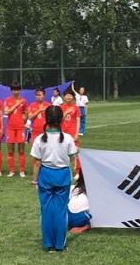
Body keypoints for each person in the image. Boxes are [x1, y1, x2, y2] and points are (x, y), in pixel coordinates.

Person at [31, 105, 78, 252]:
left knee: (46, 210)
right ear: (61, 119)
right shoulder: (68, 138)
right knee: (60, 211)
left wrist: (34, 179)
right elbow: (72, 157)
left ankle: (48, 243)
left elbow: (37, 162)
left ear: (46, 119)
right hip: (62, 175)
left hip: (45, 175)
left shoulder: (39, 139)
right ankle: (59, 244)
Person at [4, 82, 28, 177]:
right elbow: (7, 112)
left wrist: (24, 120)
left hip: (20, 128)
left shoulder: (24, 101)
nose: (16, 91)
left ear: (20, 90)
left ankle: (21, 171)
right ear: (11, 91)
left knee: (21, 150)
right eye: (14, 90)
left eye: (18, 90)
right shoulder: (8, 100)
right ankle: (11, 171)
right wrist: (16, 104)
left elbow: (26, 113)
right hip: (10, 128)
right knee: (10, 150)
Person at [28, 88, 51, 165]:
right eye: (37, 95)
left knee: (46, 151)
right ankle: (36, 168)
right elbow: (30, 117)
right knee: (35, 152)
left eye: (40, 95)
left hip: (46, 132)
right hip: (35, 132)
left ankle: (46, 167)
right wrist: (39, 110)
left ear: (44, 96)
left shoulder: (48, 105)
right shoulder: (32, 105)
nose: (38, 97)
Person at [61, 90, 81, 176]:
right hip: (63, 133)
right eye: (67, 95)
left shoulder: (75, 107)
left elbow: (78, 121)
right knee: (63, 152)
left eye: (70, 96)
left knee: (76, 152)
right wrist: (66, 113)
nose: (68, 97)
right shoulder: (60, 107)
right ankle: (65, 169)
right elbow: (59, 120)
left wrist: (77, 133)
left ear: (73, 97)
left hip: (72, 132)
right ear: (64, 97)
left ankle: (78, 171)